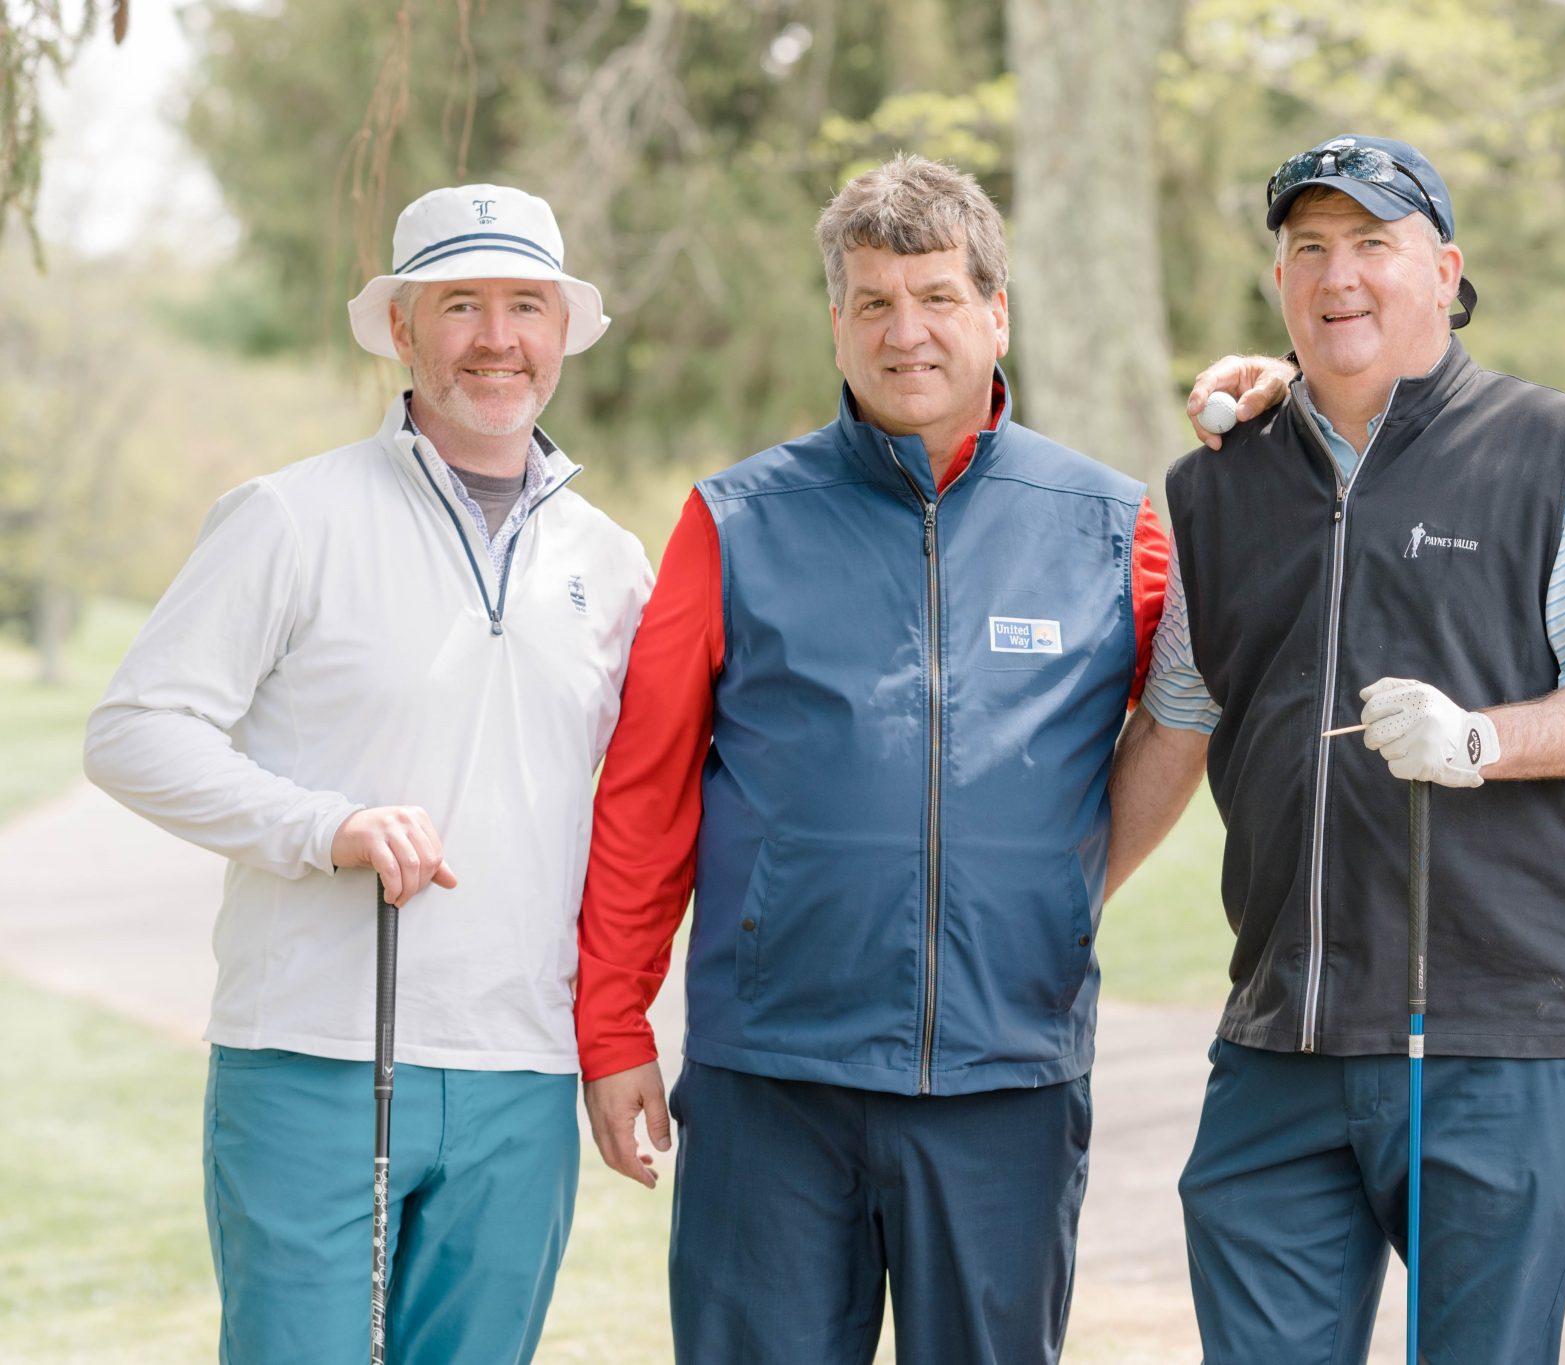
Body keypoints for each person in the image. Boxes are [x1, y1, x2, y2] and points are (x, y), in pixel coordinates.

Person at [573, 154, 1168, 1365]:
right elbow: (645, 793)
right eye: (874, 303)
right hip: (771, 1084)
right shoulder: (734, 521)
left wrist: (1067, 885)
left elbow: (1191, 725)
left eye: (938, 297)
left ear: (995, 313)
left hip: (1006, 1078)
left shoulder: (1115, 529)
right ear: (836, 324)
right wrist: (614, 1029)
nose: (908, 334)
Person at [1108, 134, 1565, 1364]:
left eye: (1373, 243)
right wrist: (1063, 901)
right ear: (1277, 285)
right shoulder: (1215, 483)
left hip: (1486, 1037)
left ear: (1444, 270)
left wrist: (1480, 738)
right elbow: (1179, 713)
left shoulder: (1555, 451)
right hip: (1277, 1037)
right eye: (1307, 247)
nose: (1337, 274)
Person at [83, 184, 652, 1364]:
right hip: (312, 1056)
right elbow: (135, 730)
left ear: (560, 333)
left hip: (522, 1065)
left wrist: (610, 1040)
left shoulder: (610, 559)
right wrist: (325, 824)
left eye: (524, 307)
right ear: (402, 328)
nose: (496, 339)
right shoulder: (289, 518)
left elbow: (640, 812)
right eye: (460, 305)